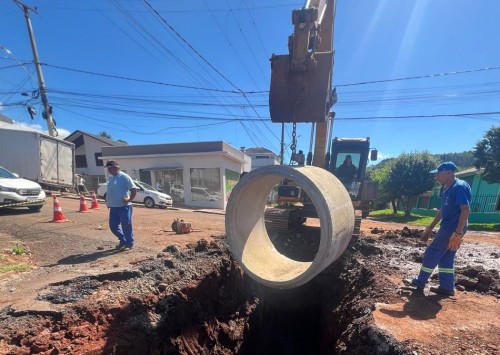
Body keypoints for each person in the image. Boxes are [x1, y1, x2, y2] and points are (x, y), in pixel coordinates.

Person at [404, 162, 471, 296]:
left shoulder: (459, 187)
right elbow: (443, 210)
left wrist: (458, 233)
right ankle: (447, 288)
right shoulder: (447, 188)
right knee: (446, 257)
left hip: (452, 228)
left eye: (438, 174)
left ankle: (420, 282)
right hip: (449, 227)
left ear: (449, 172)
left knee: (432, 252)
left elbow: (465, 209)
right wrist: (430, 227)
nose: (436, 177)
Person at [104, 160, 137, 251]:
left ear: (117, 168)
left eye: (111, 168)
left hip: (124, 207)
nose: (109, 170)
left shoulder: (124, 177)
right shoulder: (111, 178)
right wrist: (109, 202)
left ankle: (129, 243)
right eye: (108, 169)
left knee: (126, 225)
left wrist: (129, 199)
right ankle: (123, 240)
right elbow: (111, 191)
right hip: (113, 207)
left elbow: (133, 189)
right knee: (113, 226)